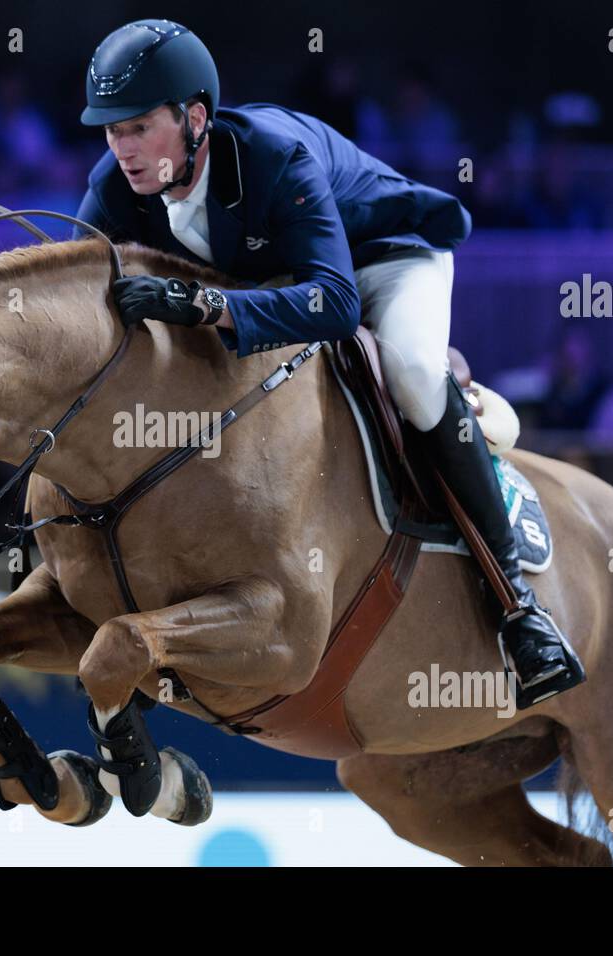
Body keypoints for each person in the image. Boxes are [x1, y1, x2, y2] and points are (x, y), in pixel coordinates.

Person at [72, 19, 584, 708]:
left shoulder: (271, 157)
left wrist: (202, 306)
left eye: (138, 128)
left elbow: (338, 302)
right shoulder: (116, 187)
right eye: (111, 131)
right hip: (284, 278)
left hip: (385, 263)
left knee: (410, 378)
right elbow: (83, 303)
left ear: (195, 118)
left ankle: (520, 609)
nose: (123, 149)